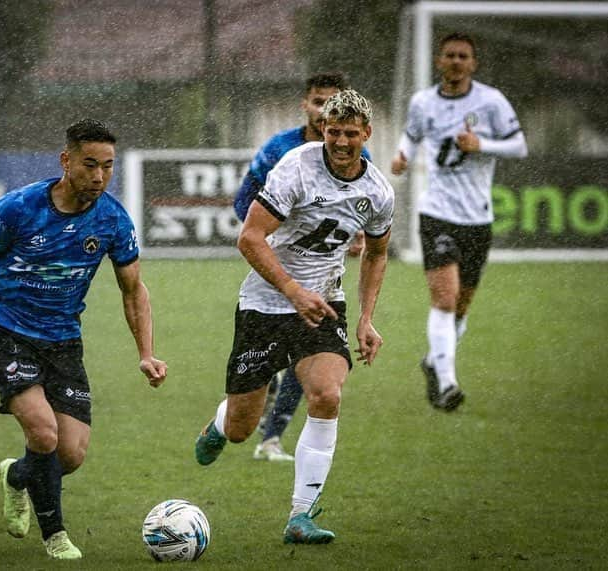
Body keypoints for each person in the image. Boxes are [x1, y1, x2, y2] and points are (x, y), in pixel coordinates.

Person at [0, 119, 168, 560]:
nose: (99, 176)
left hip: (63, 338)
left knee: (69, 453)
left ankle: (18, 476)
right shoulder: (17, 208)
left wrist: (146, 353)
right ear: (66, 161)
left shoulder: (112, 220)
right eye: (90, 165)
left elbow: (133, 290)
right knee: (44, 433)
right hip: (5, 328)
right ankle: (55, 536)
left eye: (108, 167)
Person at [196, 90, 394, 544]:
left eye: (350, 134)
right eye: (333, 131)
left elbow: (377, 254)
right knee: (244, 426)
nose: (341, 142)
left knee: (326, 395)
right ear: (322, 129)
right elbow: (249, 237)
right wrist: (290, 289)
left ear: (367, 134)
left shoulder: (378, 191)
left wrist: (366, 319)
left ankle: (300, 517)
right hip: (265, 304)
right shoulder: (297, 166)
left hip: (323, 304)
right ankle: (221, 424)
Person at [234, 72, 372, 463]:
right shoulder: (280, 149)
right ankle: (245, 414)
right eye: (317, 101)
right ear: (306, 105)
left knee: (313, 365)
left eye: (331, 101)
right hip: (271, 267)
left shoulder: (361, 158)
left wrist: (355, 234)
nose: (323, 108)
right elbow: (245, 202)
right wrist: (277, 232)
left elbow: (360, 207)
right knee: (245, 405)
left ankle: (273, 435)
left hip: (322, 280)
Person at [391, 32, 527, 411]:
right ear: (438, 61)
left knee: (461, 307)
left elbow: (519, 145)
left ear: (473, 64)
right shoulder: (423, 102)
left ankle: (434, 360)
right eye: (449, 55)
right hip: (437, 212)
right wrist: (402, 155)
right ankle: (448, 382)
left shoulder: (491, 101)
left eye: (462, 56)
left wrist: (483, 145)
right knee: (445, 298)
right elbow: (411, 134)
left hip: (477, 218)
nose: (455, 61)